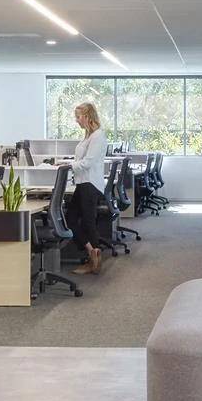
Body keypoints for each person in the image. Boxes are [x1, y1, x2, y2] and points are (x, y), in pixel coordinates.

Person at [64, 102, 115, 274]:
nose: (77, 120)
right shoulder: (89, 136)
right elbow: (82, 160)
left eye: (78, 117)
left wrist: (68, 166)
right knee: (71, 219)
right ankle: (92, 252)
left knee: (87, 222)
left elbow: (88, 162)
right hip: (83, 182)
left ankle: (94, 259)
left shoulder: (97, 136)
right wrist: (68, 164)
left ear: (87, 116)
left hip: (90, 184)